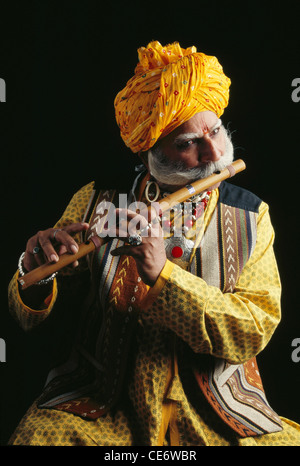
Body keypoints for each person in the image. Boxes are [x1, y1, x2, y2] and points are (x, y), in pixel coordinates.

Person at [7, 41, 300, 446]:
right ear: (150, 154)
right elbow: (32, 323)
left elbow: (253, 330)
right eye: (186, 144)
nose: (213, 153)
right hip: (103, 407)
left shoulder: (252, 216)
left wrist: (164, 276)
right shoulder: (96, 200)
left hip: (216, 412)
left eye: (214, 130)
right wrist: (36, 274)